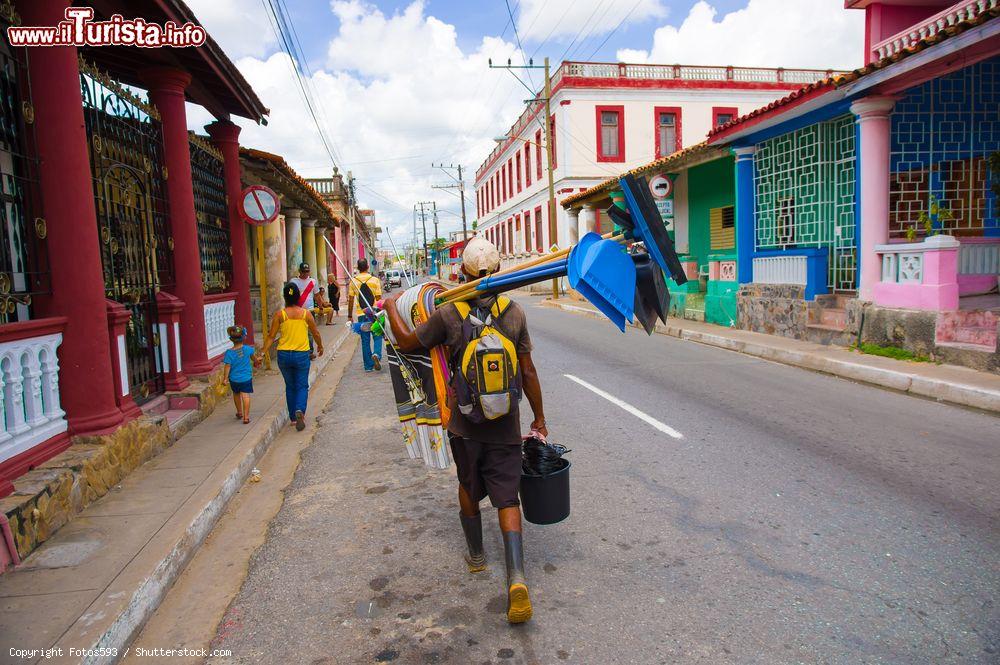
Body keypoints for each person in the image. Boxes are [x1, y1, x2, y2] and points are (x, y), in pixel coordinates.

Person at [383, 236, 547, 624]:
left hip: (464, 424)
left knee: (468, 485)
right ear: (498, 272)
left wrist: (391, 306)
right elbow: (527, 371)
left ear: (463, 274)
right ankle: (517, 577)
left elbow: (407, 343)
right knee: (508, 499)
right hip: (506, 424)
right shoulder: (515, 313)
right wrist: (539, 418)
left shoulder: (448, 314)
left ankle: (476, 555)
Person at [265, 282, 324, 431]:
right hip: (301, 355)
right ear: (298, 297)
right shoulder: (305, 314)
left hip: (283, 355)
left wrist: (262, 352)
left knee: (290, 386)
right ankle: (300, 410)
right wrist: (320, 345)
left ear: (285, 297)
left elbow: (271, 336)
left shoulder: (280, 315)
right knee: (302, 385)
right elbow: (315, 332)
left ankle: (293, 418)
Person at [348, 258, 384, 372]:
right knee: (377, 335)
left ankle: (368, 366)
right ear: (368, 267)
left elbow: (350, 299)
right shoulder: (375, 280)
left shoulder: (353, 281)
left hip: (361, 313)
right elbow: (378, 298)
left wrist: (349, 315)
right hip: (374, 312)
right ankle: (377, 354)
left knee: (365, 340)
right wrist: (382, 311)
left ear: (358, 268)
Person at [222, 325, 255, 424]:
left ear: (231, 339)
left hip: (234, 379)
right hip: (246, 378)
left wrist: (225, 378)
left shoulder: (229, 353)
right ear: (244, 337)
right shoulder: (248, 349)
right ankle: (246, 417)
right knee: (245, 395)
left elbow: (227, 366)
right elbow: (254, 359)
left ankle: (239, 412)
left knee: (236, 394)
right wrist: (257, 361)